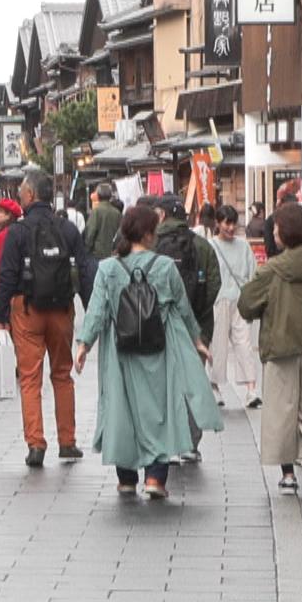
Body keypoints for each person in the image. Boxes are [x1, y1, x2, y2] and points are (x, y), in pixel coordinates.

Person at [72, 204, 221, 498]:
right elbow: (182, 307)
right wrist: (198, 340)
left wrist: (83, 345)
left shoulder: (108, 269)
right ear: (150, 234)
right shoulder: (165, 267)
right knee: (159, 411)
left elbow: (97, 311)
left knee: (122, 410)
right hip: (158, 349)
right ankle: (155, 479)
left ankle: (126, 478)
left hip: (120, 351)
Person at [237, 202, 302, 497]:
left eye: (276, 227)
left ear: (285, 232)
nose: (273, 232)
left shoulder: (271, 270)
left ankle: (288, 475)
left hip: (281, 348)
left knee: (282, 410)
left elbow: (246, 305)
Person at [0, 174, 94, 467]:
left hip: (27, 310)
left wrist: (0, 318)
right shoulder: (68, 229)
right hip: (61, 309)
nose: (21, 196)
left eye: (22, 192)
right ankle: (68, 441)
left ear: (31, 194)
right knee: (62, 375)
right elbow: (84, 270)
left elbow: (7, 275)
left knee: (30, 379)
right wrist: (91, 311)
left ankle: (36, 444)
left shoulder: (18, 232)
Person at [150, 195, 220, 460]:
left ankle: (167, 441)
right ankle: (191, 444)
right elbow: (214, 283)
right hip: (198, 327)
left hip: (160, 325)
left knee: (163, 383)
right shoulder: (202, 246)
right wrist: (198, 315)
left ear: (162, 216)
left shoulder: (152, 244)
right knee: (192, 381)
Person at [208, 205, 260, 410]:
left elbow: (253, 273)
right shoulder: (210, 246)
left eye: (233, 223)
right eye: (226, 223)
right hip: (218, 300)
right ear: (217, 223)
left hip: (239, 300)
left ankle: (251, 390)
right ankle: (215, 388)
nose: (230, 227)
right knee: (217, 346)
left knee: (244, 344)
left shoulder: (244, 246)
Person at [0, 198, 22, 297]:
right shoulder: (16, 230)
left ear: (8, 215)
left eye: (0, 212)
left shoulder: (4, 235)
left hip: (2, 288)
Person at [83, 182, 121, 262]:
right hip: (112, 253)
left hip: (97, 254)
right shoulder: (117, 213)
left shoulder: (96, 211)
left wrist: (87, 249)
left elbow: (90, 232)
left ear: (98, 196)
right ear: (110, 195)